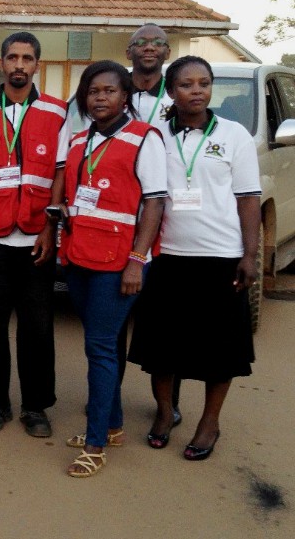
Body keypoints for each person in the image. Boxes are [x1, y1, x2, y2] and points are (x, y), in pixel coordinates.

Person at [129, 55, 261, 461]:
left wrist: (249, 254)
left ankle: (209, 423)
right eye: (187, 84)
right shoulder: (155, 138)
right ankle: (166, 412)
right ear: (171, 91)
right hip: (168, 256)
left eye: (204, 83)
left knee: (220, 348)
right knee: (162, 346)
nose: (198, 91)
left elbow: (248, 197)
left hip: (221, 256)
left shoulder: (234, 135)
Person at [59, 61, 166, 477]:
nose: (100, 98)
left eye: (109, 91)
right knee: (101, 343)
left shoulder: (145, 139)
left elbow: (154, 203)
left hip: (119, 261)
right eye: (92, 92)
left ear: (126, 97)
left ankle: (96, 442)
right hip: (81, 255)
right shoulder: (79, 139)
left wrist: (137, 261)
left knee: (100, 348)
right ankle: (114, 425)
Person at [0, 31, 69, 438]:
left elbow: (60, 171)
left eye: (27, 58)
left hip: (36, 238)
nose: (20, 65)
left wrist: (50, 226)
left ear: (37, 65)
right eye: (12, 57)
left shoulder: (58, 112)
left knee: (38, 328)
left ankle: (36, 406)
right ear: (1, 64)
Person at [123, 23, 182, 426]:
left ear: (167, 51)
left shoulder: (178, 98)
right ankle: (108, 400)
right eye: (141, 42)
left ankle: (166, 405)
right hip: (116, 219)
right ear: (129, 51)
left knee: (163, 322)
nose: (149, 48)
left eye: (157, 43)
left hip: (170, 222)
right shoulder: (110, 91)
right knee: (110, 325)